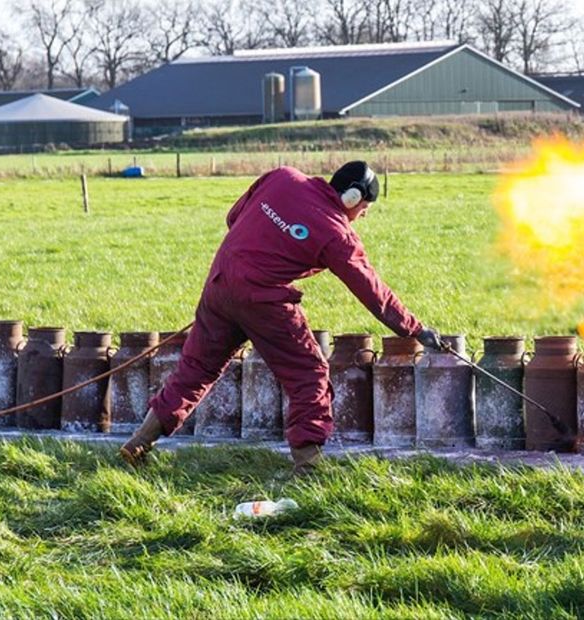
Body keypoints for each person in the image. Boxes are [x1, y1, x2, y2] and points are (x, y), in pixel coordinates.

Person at [120, 161, 443, 475]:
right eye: (364, 209)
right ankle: (308, 465)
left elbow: (234, 217)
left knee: (196, 370)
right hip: (265, 301)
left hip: (220, 283)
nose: (362, 216)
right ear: (352, 198)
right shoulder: (336, 233)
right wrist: (414, 328)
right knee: (308, 374)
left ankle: (138, 443)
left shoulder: (282, 177)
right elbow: (371, 290)